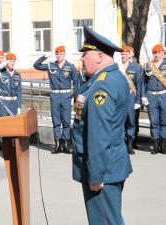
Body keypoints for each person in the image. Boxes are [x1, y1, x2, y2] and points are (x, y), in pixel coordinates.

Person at [72, 26, 132, 225]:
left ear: (99, 56)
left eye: (85, 54)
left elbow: (99, 134)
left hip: (102, 170)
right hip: (108, 165)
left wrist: (96, 175)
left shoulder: (102, 85)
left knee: (104, 221)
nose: (82, 58)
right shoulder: (108, 77)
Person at [33, 46, 79, 154]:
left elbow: (76, 82)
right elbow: (36, 65)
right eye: (57, 54)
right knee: (56, 121)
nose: (59, 56)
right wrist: (43, 56)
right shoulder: (50, 66)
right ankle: (57, 145)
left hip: (66, 96)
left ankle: (66, 145)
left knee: (66, 122)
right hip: (54, 96)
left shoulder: (70, 66)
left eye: (61, 54)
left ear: (64, 54)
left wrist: (75, 96)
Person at [141, 44, 166, 154]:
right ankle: (155, 145)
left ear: (162, 53)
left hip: (164, 95)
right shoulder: (148, 66)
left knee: (164, 121)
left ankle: (163, 145)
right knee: (154, 121)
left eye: (158, 52)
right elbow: (143, 82)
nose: (156, 55)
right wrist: (143, 96)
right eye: (154, 53)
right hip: (151, 96)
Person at [121, 45, 142, 154]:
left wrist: (138, 101)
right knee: (120, 120)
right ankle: (122, 142)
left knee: (131, 121)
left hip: (130, 97)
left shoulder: (136, 67)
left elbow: (139, 85)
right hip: (119, 98)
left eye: (125, 54)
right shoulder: (117, 66)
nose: (123, 56)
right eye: (122, 54)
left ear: (130, 55)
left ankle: (130, 143)